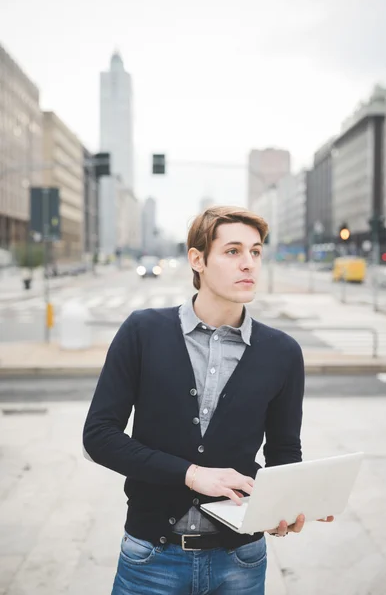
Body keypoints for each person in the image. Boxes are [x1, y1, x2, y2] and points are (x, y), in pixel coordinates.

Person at [83, 206, 333, 595]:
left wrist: (287, 505)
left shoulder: (282, 352)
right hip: (150, 558)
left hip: (241, 562)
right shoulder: (143, 332)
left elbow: (284, 450)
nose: (248, 263)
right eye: (233, 251)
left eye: (255, 252)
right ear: (197, 259)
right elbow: (99, 436)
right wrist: (193, 474)